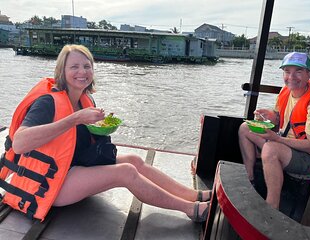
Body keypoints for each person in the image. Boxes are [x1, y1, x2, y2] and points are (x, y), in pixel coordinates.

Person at [2, 44, 211, 222]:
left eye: (87, 66)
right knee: (126, 172)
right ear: (62, 72)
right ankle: (190, 210)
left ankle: (195, 196)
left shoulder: (85, 99)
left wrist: (95, 124)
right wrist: (75, 119)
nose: (82, 72)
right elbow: (20, 143)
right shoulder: (47, 102)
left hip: (73, 167)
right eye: (74, 67)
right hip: (51, 184)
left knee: (134, 160)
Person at [238, 52, 310, 209]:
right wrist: (269, 116)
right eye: (287, 71)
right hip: (288, 146)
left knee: (271, 149)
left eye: (298, 71)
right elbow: (279, 121)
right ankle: (249, 180)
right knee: (245, 128)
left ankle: (272, 206)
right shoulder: (286, 91)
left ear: (308, 74)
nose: (291, 77)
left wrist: (276, 139)